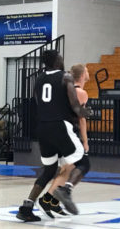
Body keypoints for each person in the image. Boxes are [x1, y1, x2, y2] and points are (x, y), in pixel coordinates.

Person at [16, 50, 89, 222]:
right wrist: (88, 112)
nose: (62, 60)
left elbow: (38, 102)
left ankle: (26, 207)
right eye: (61, 58)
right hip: (60, 125)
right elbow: (76, 107)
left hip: (42, 127)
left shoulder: (39, 79)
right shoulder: (65, 77)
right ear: (56, 61)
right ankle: (65, 190)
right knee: (83, 162)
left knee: (49, 170)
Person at [37, 64, 91, 218]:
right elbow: (81, 119)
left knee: (66, 169)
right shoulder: (80, 92)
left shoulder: (63, 89)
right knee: (81, 164)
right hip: (68, 132)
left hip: (55, 130)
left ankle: (50, 201)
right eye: (86, 70)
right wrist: (85, 141)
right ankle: (50, 198)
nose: (88, 72)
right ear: (81, 75)